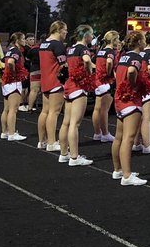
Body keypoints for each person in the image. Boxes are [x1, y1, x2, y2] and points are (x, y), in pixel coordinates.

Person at [111, 32, 148, 186]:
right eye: (144, 40)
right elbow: (132, 71)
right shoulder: (136, 58)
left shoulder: (123, 57)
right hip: (130, 101)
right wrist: (133, 85)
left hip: (119, 99)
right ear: (139, 42)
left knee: (119, 137)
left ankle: (118, 170)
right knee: (129, 138)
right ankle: (127, 175)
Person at [59, 25, 96, 167]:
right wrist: (89, 72)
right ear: (86, 35)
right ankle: (74, 157)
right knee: (75, 124)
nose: (92, 38)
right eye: (91, 35)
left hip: (69, 85)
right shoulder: (83, 48)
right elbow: (86, 60)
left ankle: (64, 154)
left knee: (66, 122)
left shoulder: (71, 48)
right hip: (78, 86)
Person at [37, 22, 70, 153]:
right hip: (56, 81)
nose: (66, 33)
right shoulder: (58, 45)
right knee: (54, 112)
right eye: (65, 30)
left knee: (45, 111)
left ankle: (42, 141)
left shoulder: (43, 44)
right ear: (59, 30)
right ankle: (51, 142)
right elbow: (64, 65)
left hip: (45, 80)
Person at [0, 33, 29, 141]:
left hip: (6, 82)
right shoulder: (16, 51)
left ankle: (4, 132)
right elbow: (11, 62)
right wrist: (14, 73)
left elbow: (3, 62)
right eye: (24, 39)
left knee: (6, 109)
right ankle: (11, 134)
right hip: (13, 82)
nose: (25, 41)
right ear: (18, 40)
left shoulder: (10, 50)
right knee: (13, 109)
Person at [91, 31, 119, 143]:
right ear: (113, 40)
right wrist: (109, 73)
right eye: (117, 39)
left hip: (98, 81)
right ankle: (105, 133)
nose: (119, 41)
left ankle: (97, 133)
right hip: (107, 82)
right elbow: (109, 62)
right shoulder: (110, 51)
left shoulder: (101, 51)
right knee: (104, 110)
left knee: (97, 109)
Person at [23, 37, 42, 114]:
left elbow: (27, 59)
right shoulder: (47, 49)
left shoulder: (32, 49)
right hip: (44, 70)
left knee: (33, 90)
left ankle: (30, 107)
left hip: (34, 70)